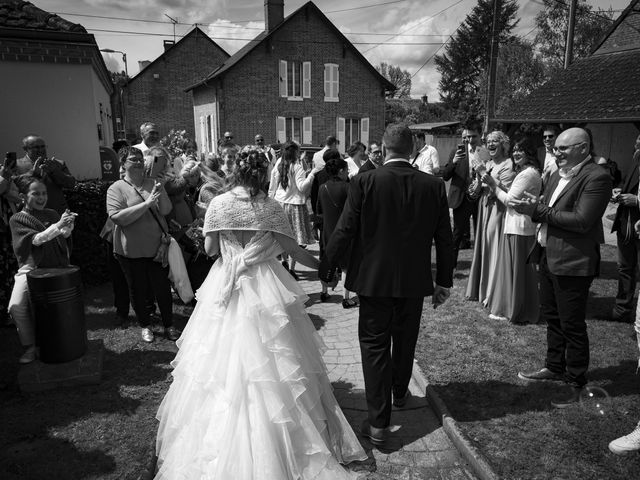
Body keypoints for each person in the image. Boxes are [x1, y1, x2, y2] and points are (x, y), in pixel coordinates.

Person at [154, 149, 367, 479]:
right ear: (263, 173)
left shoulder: (219, 205)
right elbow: (294, 250)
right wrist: (327, 268)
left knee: (219, 366)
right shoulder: (272, 208)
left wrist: (229, 246)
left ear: (235, 171)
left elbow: (210, 250)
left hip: (227, 283)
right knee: (277, 362)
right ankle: (284, 444)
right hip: (266, 285)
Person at [319, 123, 454, 446]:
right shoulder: (433, 185)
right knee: (405, 339)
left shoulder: (365, 180)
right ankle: (399, 392)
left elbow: (344, 229)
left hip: (374, 280)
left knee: (375, 345)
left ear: (384, 146)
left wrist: (328, 268)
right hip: (413, 279)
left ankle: (379, 423)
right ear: (412, 149)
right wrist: (444, 281)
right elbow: (445, 239)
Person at [514, 127, 612, 408]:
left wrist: (538, 211)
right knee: (553, 316)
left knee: (572, 323)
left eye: (563, 148)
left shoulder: (597, 177)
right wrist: (536, 204)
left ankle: (575, 379)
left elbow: (581, 220)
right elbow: (549, 207)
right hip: (548, 254)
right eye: (555, 148)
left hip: (573, 261)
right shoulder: (557, 173)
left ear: (583, 147)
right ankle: (553, 366)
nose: (556, 152)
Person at [106, 147, 180, 343]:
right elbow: (118, 218)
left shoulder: (154, 183)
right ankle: (145, 325)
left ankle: (169, 324)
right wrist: (147, 203)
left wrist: (161, 189)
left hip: (157, 248)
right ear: (123, 164)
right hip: (129, 251)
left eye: (140, 158)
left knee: (162, 288)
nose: (138, 162)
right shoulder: (116, 188)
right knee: (137, 289)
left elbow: (165, 209)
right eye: (133, 159)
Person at [8, 174, 76, 363]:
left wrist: (67, 226)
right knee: (16, 306)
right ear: (23, 196)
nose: (41, 197)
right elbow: (35, 241)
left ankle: (66, 341)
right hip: (31, 268)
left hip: (56, 267)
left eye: (44, 193)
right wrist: (58, 226)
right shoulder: (17, 219)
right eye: (35, 193)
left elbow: (61, 236)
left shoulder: (52, 214)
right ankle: (31, 346)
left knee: (59, 309)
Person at [482, 137, 541, 323]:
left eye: (521, 150)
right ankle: (516, 307)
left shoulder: (527, 174)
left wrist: (493, 184)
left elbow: (510, 201)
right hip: (518, 226)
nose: (516, 153)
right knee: (517, 273)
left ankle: (512, 309)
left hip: (519, 227)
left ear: (529, 153)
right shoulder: (527, 172)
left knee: (515, 272)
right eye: (515, 150)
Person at [466, 131, 516, 305]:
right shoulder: (487, 163)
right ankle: (483, 288)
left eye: (495, 141)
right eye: (488, 142)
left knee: (494, 247)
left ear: (503, 144)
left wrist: (486, 178)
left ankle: (494, 292)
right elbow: (473, 192)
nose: (490, 144)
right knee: (484, 247)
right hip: (485, 208)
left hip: (498, 210)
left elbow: (509, 191)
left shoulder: (509, 164)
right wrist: (478, 181)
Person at [268, 141, 321, 280]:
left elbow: (272, 186)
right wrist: (312, 174)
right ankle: (291, 268)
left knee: (283, 236)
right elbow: (302, 187)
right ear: (295, 152)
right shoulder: (297, 167)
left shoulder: (279, 162)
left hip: (280, 202)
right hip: (295, 205)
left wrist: (270, 200)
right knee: (295, 239)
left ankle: (283, 261)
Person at [442, 125, 490, 265]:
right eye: (467, 136)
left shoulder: (485, 153)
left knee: (481, 233)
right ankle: (451, 266)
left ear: (480, 135)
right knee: (457, 235)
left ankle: (481, 266)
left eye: (473, 136)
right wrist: (454, 162)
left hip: (481, 197)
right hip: (461, 199)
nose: (470, 139)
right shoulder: (457, 152)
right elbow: (445, 176)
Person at [316, 153, 356, 308]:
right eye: (346, 171)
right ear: (340, 171)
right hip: (344, 232)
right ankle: (346, 298)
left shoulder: (322, 187)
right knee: (346, 266)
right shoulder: (348, 187)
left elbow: (319, 211)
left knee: (327, 262)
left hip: (327, 232)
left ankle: (324, 292)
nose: (347, 173)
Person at [610, 134, 640, 323]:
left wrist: (637, 200)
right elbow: (629, 185)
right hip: (626, 222)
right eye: (636, 143)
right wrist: (620, 192)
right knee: (625, 268)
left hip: (637, 222)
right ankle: (622, 310)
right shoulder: (636, 161)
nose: (636, 147)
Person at [16, 135, 76, 214]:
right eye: (36, 147)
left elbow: (71, 184)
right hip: (31, 215)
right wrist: (33, 174)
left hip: (57, 212)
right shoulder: (16, 165)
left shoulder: (58, 163)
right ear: (25, 149)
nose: (40, 150)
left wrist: (55, 171)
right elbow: (15, 186)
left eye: (43, 146)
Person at [0, 154, 20, 327]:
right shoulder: (3, 174)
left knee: (10, 270)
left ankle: (10, 311)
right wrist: (3, 181)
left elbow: (16, 194)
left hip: (7, 227)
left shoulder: (3, 171)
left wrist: (5, 183)